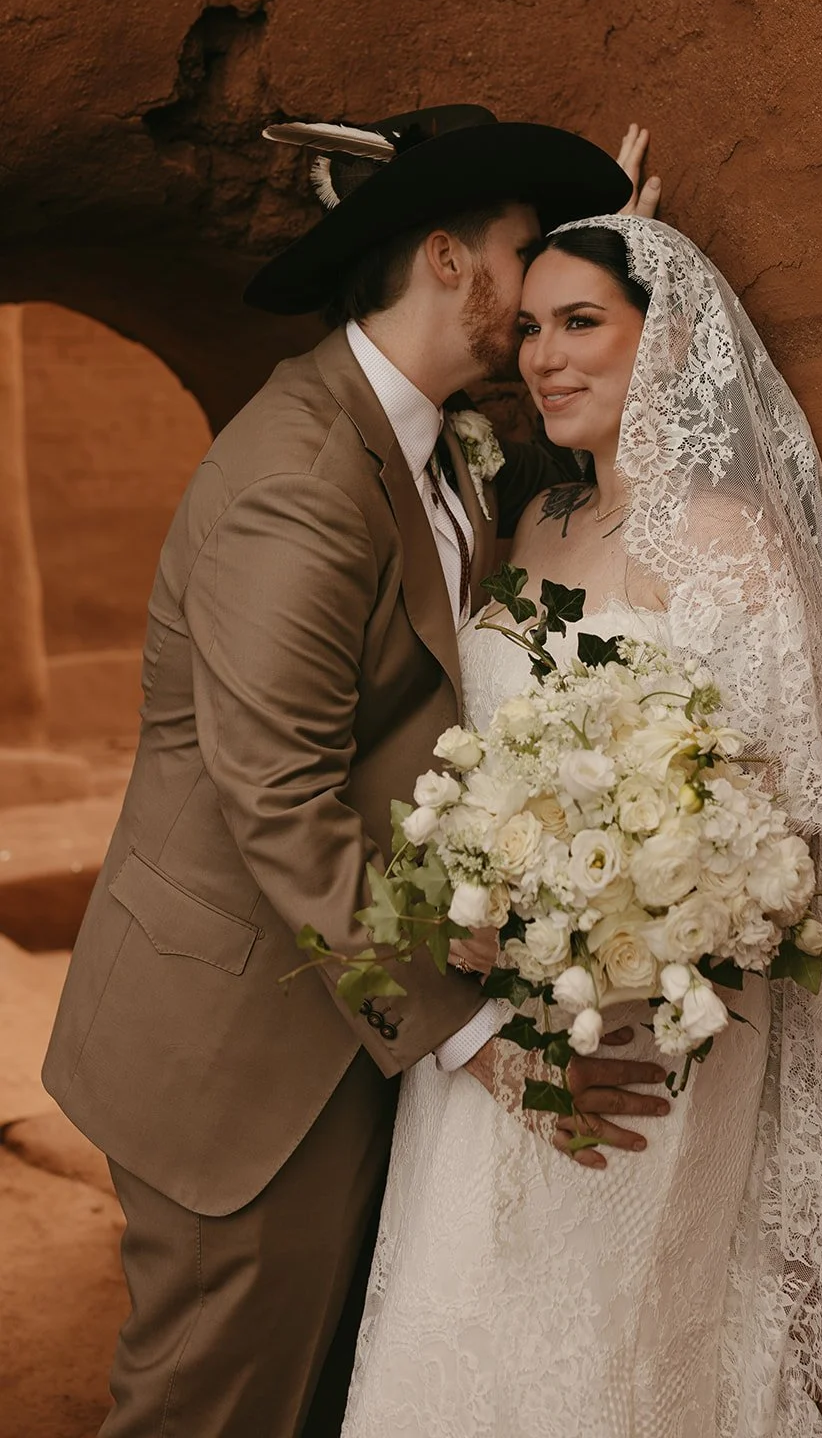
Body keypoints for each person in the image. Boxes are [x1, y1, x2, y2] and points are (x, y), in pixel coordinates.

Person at [42, 106, 662, 1438]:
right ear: (448, 261)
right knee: (211, 1412)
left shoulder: (446, 441)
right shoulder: (301, 474)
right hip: (237, 1054)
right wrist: (481, 1038)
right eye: (523, 250)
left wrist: (632, 267)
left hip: (336, 1022)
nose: (539, 277)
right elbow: (276, 803)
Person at [343, 216, 822, 1436]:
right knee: (453, 1315)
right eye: (527, 327)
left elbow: (786, 831)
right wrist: (471, 910)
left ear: (674, 338)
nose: (541, 356)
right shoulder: (531, 524)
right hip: (484, 1027)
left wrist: (614, 935)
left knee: (600, 1346)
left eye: (581, 322)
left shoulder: (733, 542)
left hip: (647, 1033)